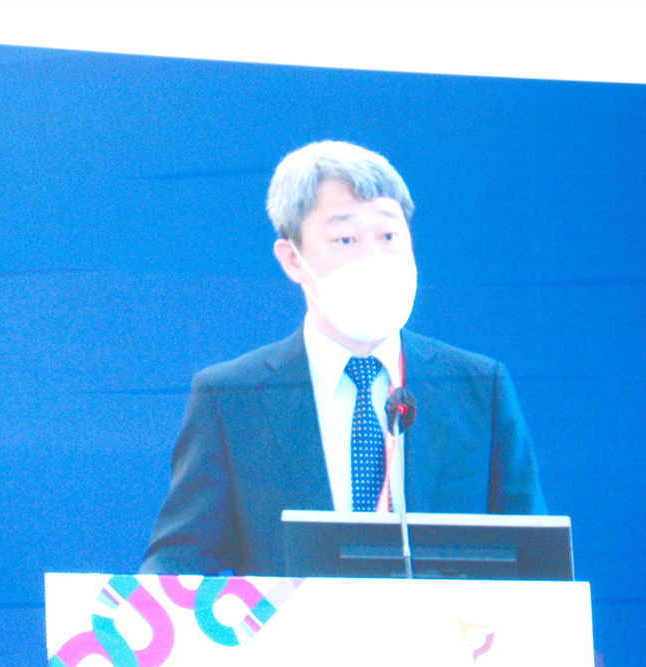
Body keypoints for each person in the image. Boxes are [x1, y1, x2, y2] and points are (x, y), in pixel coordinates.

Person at [140, 140, 545, 576]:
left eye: (389, 236)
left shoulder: (478, 386)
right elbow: (178, 564)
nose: (375, 260)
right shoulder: (231, 398)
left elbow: (536, 562)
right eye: (346, 239)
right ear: (293, 260)